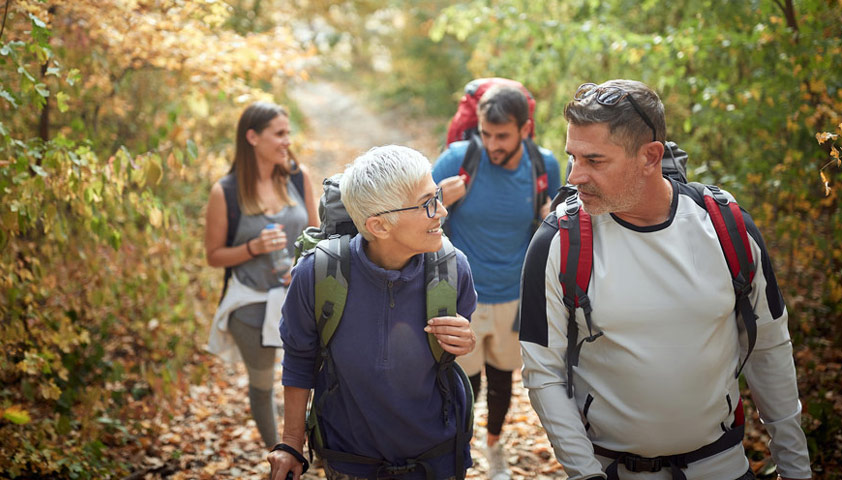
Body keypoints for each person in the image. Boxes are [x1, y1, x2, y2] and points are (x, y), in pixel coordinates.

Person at [519, 79, 812, 480]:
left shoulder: (726, 229)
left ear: (650, 156)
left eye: (594, 160)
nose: (575, 176)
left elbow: (769, 347)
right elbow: (543, 374)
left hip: (723, 467)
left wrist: (796, 469)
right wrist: (585, 474)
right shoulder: (559, 241)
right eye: (572, 157)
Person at [267, 145, 479, 480]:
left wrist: (465, 341)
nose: (441, 211)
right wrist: (291, 443)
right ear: (379, 226)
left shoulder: (453, 270)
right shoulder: (316, 275)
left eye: (437, 196)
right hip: (349, 462)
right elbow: (299, 357)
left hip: (437, 460)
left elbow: (449, 355)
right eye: (427, 203)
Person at [432, 84, 561, 480]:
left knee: (503, 379)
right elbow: (412, 216)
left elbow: (557, 230)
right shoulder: (457, 159)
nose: (491, 145)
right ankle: (461, 448)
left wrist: (551, 217)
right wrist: (438, 198)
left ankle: (493, 447)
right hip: (462, 297)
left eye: (502, 136)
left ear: (525, 128)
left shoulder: (544, 166)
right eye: (485, 134)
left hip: (516, 296)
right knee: (465, 382)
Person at [205, 101, 320, 449]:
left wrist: (301, 267)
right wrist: (253, 247)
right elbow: (214, 256)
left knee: (317, 376)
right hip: (250, 303)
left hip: (300, 299)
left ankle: (319, 447)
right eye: (279, 133)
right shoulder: (225, 192)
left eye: (288, 133)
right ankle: (282, 458)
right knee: (262, 385)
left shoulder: (298, 178)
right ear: (252, 137)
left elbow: (318, 236)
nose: (288, 141)